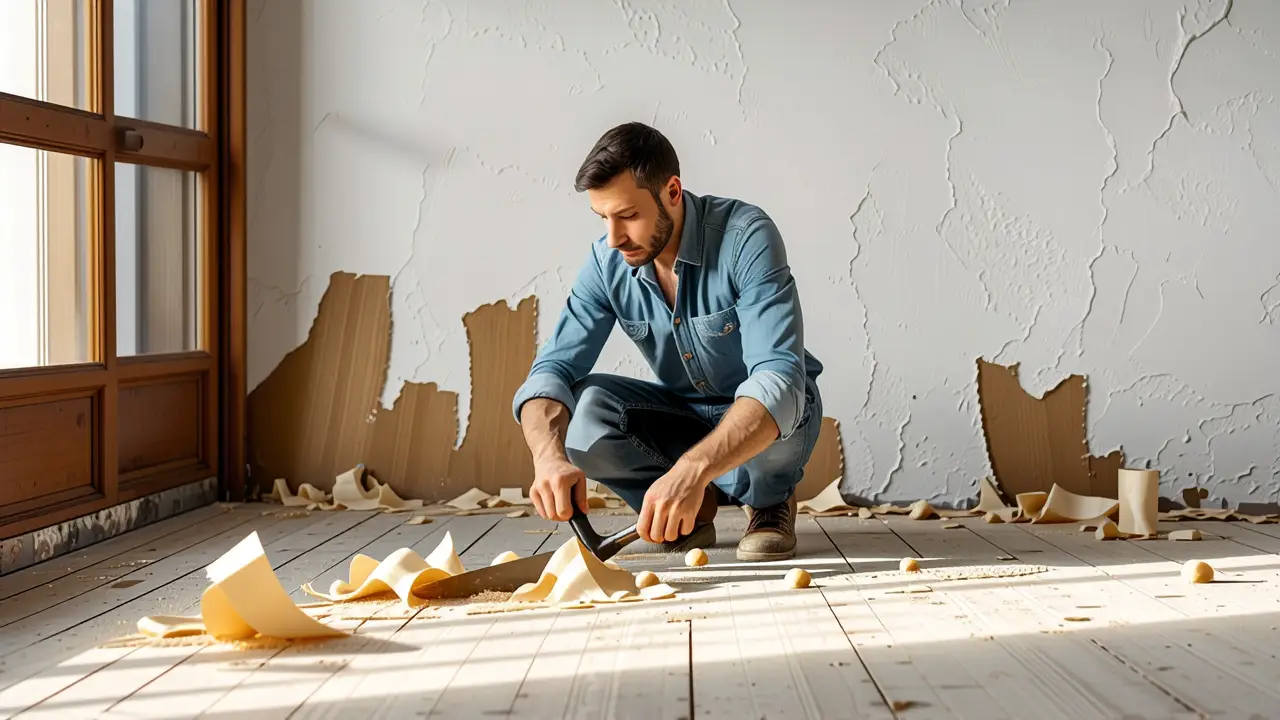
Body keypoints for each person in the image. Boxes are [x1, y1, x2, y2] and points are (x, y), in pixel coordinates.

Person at [511, 121, 824, 561]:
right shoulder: (608, 260)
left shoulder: (745, 236)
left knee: (787, 401)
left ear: (672, 192)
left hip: (768, 422)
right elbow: (552, 371)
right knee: (584, 409)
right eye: (604, 218)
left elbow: (777, 379)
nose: (614, 238)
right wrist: (547, 458)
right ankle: (690, 516)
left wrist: (692, 469)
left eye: (629, 215)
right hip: (684, 418)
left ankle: (770, 503)